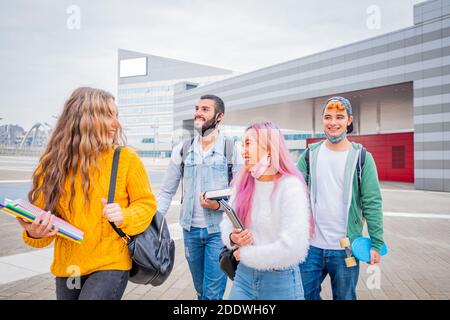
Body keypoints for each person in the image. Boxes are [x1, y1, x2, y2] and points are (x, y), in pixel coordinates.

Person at [17, 87, 157, 300]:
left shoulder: (126, 159)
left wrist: (125, 215)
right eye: (107, 115)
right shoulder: (51, 165)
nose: (115, 123)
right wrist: (35, 231)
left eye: (115, 115)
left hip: (110, 262)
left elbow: (147, 204)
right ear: (84, 119)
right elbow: (41, 223)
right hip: (70, 264)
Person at [297, 96, 383, 300]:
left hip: (346, 249)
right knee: (302, 295)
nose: (333, 122)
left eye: (339, 116)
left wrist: (376, 244)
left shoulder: (362, 157)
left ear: (349, 120)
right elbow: (291, 193)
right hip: (311, 247)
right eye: (328, 117)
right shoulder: (310, 154)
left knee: (345, 297)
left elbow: (372, 202)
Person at [157, 94, 242, 300]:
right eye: (197, 108)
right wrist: (154, 224)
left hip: (218, 233)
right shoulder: (183, 149)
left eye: (205, 109)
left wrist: (218, 206)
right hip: (190, 232)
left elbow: (241, 194)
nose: (198, 113)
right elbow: (167, 191)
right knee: (200, 291)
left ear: (219, 116)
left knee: (212, 294)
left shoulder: (231, 149)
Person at [218, 121, 311, 300]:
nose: (242, 150)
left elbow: (294, 248)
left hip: (280, 281)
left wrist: (243, 254)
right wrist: (232, 237)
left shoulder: (290, 186)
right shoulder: (243, 184)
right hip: (244, 277)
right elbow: (226, 223)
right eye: (242, 144)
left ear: (269, 148)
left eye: (248, 144)